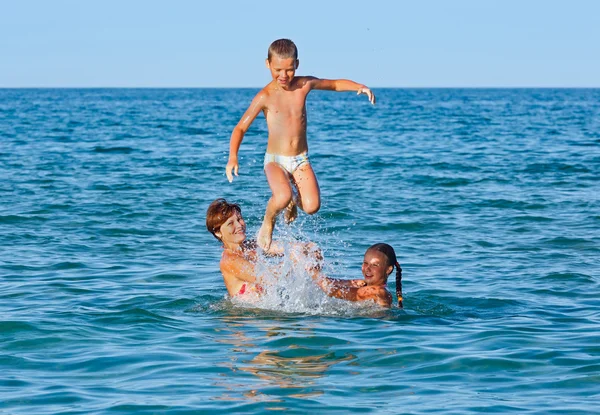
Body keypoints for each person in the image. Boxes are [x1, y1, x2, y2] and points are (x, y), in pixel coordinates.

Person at [225, 38, 376, 251]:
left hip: (300, 159)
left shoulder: (304, 85)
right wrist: (233, 156)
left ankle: (292, 200)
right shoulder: (265, 96)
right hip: (275, 161)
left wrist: (358, 87)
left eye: (289, 69)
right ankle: (269, 221)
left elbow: (333, 84)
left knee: (312, 207)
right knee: (282, 195)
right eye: (278, 69)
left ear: (297, 64)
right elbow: (240, 128)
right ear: (267, 64)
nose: (283, 75)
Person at [310, 243, 403, 308]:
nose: (367, 268)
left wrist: (311, 270)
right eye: (365, 263)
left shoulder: (378, 292)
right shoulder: (362, 285)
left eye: (375, 265)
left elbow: (331, 290)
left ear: (388, 270)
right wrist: (315, 262)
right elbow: (329, 283)